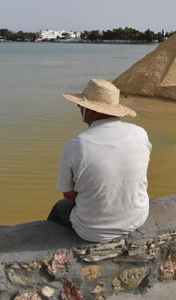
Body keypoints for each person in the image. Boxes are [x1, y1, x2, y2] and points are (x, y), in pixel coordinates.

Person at [47, 79, 151, 242]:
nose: (80, 109)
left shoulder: (76, 145)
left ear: (91, 110)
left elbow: (68, 193)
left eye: (80, 105)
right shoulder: (140, 133)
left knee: (60, 208)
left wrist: (96, 199)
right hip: (137, 218)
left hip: (93, 231)